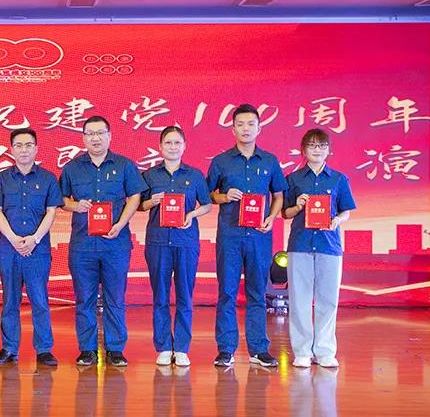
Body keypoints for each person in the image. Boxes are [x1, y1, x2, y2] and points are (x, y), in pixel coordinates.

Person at [60, 115, 144, 368]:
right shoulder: (72, 168)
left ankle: (115, 349)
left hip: (115, 244)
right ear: (83, 138)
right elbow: (61, 199)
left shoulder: (125, 165)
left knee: (115, 298)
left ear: (109, 136)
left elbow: (135, 197)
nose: (95, 138)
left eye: (100, 133)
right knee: (84, 299)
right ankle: (87, 350)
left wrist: (121, 223)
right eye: (90, 134)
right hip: (83, 245)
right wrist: (76, 206)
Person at [206, 103, 286, 370]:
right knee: (227, 292)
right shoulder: (221, 161)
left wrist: (271, 217)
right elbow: (207, 195)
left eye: (251, 124)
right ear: (233, 129)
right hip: (230, 235)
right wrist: (224, 196)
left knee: (257, 293)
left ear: (259, 128)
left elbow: (278, 196)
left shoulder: (270, 161)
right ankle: (226, 349)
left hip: (259, 237)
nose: (246, 129)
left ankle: (259, 349)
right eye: (240, 124)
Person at [0, 126, 62, 368]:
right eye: (18, 145)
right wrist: (13, 239)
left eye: (28, 145)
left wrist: (34, 239)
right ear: (11, 150)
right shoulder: (2, 179)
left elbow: (51, 212)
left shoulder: (48, 178)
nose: (24, 150)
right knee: (10, 300)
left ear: (36, 148)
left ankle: (44, 349)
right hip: (9, 249)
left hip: (37, 250)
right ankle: (9, 348)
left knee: (39, 300)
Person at [283, 128, 356, 369]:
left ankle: (325, 350)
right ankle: (302, 351)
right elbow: (285, 213)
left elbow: (346, 211)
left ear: (329, 150)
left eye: (322, 146)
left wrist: (337, 220)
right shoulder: (293, 179)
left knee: (328, 299)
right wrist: (298, 205)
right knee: (299, 300)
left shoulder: (338, 179)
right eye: (312, 145)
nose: (317, 150)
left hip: (329, 245)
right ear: (303, 150)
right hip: (300, 244)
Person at [140, 123, 212, 367]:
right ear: (160, 147)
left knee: (185, 296)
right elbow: (139, 206)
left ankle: (181, 348)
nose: (173, 147)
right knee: (160, 295)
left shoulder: (195, 175)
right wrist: (152, 201)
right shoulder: (149, 175)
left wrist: (192, 214)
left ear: (184, 146)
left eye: (177, 143)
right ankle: (163, 347)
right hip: (158, 242)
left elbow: (207, 204)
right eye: (168, 143)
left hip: (186, 242)